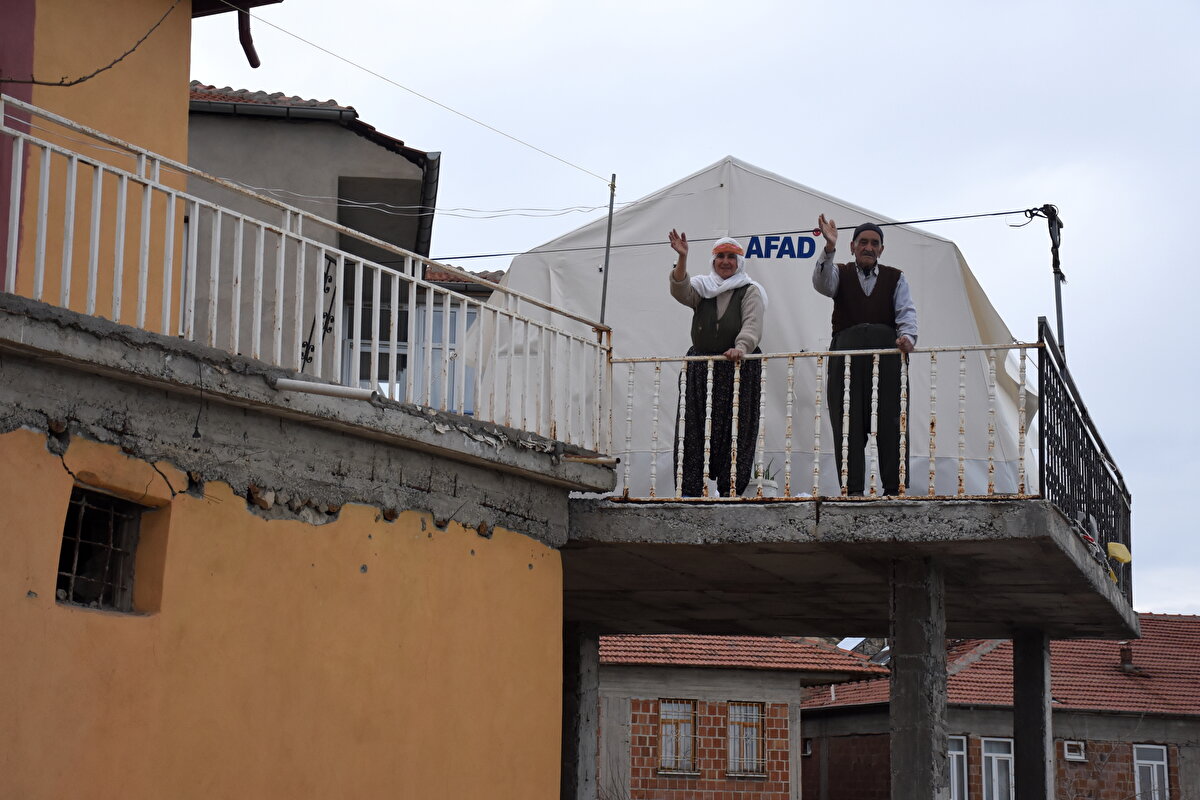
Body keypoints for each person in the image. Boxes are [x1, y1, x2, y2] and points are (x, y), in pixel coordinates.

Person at [813, 215, 918, 496]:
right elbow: (822, 284)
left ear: (881, 249)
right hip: (846, 358)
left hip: (887, 358)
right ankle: (853, 489)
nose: (868, 247)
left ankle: (894, 489)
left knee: (892, 419)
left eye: (874, 243)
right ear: (853, 246)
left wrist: (908, 338)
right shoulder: (840, 272)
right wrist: (829, 247)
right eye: (863, 242)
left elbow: (906, 313)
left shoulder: (896, 277)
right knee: (847, 420)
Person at [668, 230, 768, 497]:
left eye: (731, 257)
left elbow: (752, 325)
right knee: (693, 427)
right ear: (713, 261)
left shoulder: (750, 290)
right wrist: (682, 258)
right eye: (721, 256)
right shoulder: (703, 287)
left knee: (737, 427)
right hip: (702, 368)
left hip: (738, 368)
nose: (726, 262)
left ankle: (730, 489)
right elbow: (681, 291)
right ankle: (690, 490)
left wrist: (741, 348)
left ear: (739, 262)